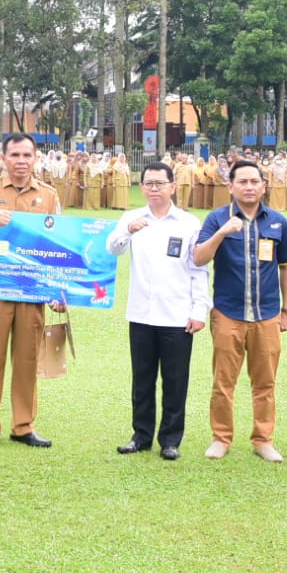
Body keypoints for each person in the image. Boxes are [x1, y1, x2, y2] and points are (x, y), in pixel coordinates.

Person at [0, 133, 67, 450]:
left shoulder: (47, 195)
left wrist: (58, 289)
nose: (21, 161)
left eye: (26, 155)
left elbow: (57, 244)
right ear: (3, 159)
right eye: (15, 155)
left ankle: (23, 426)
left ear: (36, 159)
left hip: (32, 292)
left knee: (28, 359)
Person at [192, 159, 287, 463]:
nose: (249, 187)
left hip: (267, 314)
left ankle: (263, 439)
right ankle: (221, 437)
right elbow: (199, 257)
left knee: (265, 382)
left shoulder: (277, 221)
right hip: (228, 313)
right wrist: (222, 232)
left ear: (264, 185)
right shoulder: (216, 219)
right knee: (224, 381)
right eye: (243, 182)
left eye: (254, 182)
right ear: (231, 186)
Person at [106, 161, 208, 461]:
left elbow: (199, 269)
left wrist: (199, 309)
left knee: (176, 380)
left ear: (172, 186)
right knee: (142, 378)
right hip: (141, 312)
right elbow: (113, 248)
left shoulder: (188, 223)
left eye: (159, 183)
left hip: (177, 313)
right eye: (148, 183)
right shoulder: (132, 217)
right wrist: (127, 229)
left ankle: (171, 439)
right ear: (141, 187)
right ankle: (141, 436)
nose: (153, 189)